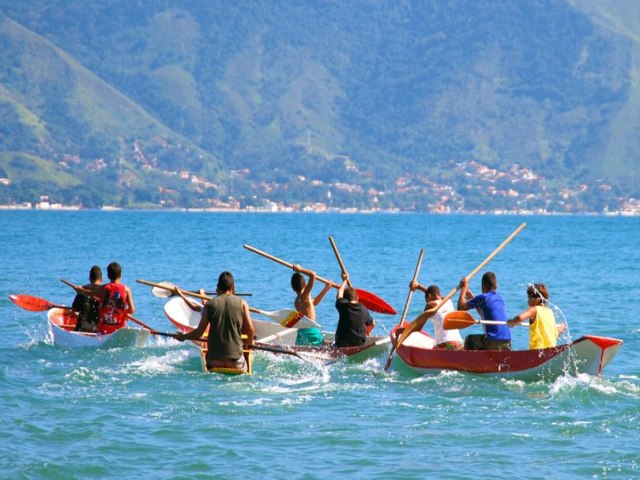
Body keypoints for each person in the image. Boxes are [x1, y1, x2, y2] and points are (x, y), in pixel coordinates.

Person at [176, 271, 255, 372]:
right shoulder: (243, 303)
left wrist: (183, 337)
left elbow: (199, 332)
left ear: (217, 287)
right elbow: (251, 329)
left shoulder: (209, 305)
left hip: (214, 362)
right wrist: (249, 344)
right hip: (236, 363)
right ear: (233, 287)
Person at [457, 272, 511, 351]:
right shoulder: (500, 299)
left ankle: (472, 362)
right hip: (507, 342)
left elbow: (460, 308)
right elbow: (482, 313)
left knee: (470, 339)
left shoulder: (483, 298)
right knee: (482, 340)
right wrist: (470, 296)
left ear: (484, 285)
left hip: (492, 342)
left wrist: (464, 288)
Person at [507, 283, 566, 349]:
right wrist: (561, 328)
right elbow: (554, 333)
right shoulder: (550, 311)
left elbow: (520, 317)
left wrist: (512, 322)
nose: (528, 301)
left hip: (537, 351)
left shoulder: (534, 310)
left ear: (537, 300)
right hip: (551, 349)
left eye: (529, 298)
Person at [410, 281, 463, 350]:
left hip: (445, 344)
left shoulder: (430, 305)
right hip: (459, 343)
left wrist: (402, 331)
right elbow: (436, 296)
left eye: (426, 300)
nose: (427, 302)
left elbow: (418, 327)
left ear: (429, 296)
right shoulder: (448, 301)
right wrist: (418, 286)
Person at [291, 264, 331, 346]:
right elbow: (313, 275)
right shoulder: (306, 295)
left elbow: (315, 302)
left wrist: (326, 288)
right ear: (305, 285)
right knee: (326, 344)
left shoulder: (296, 302)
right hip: (311, 331)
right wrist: (299, 270)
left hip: (301, 334)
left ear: (293, 288)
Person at [334, 273, 374, 348]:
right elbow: (372, 324)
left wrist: (344, 281)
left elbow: (339, 294)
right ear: (357, 298)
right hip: (359, 343)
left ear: (345, 299)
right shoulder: (363, 309)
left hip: (342, 343)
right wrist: (368, 332)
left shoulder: (343, 305)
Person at [97, 262, 136, 334]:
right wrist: (124, 313)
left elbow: (90, 292)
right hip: (119, 330)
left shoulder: (102, 288)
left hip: (103, 331)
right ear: (121, 275)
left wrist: (80, 289)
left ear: (108, 276)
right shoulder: (126, 290)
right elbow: (132, 310)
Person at [71, 265, 102, 333]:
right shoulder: (104, 291)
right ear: (101, 279)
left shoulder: (82, 290)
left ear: (90, 278)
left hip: (81, 328)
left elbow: (73, 311)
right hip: (98, 330)